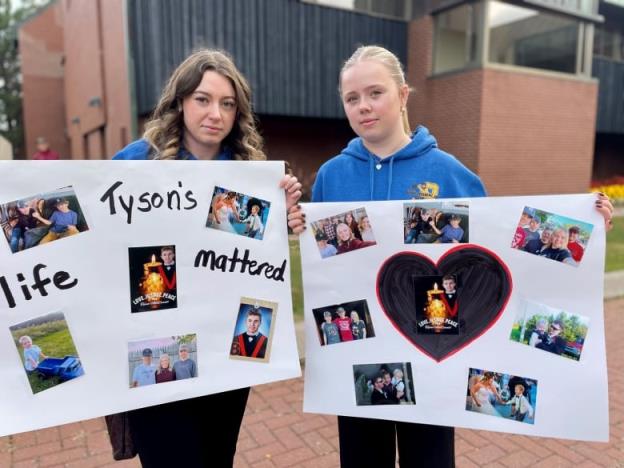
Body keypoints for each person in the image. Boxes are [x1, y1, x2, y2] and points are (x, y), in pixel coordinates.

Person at [286, 44, 613, 468]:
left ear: (403, 95)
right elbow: (323, 261)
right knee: (363, 457)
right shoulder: (332, 175)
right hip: (361, 354)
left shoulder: (449, 173)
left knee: (431, 458)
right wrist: (297, 228)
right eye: (352, 98)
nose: (363, 107)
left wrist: (584, 229)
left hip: (434, 352)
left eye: (375, 93)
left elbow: (500, 253)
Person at [113, 49, 301, 467]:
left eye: (227, 103)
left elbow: (258, 261)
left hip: (224, 350)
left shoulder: (250, 173)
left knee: (217, 457)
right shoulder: (135, 163)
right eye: (203, 99)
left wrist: (286, 215)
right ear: (179, 101)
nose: (215, 113)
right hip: (158, 342)